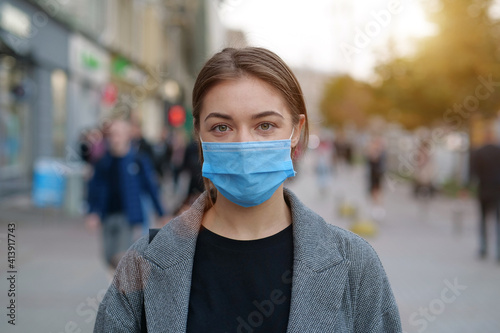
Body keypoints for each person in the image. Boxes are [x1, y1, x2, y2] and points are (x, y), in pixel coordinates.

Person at [94, 47, 401, 332]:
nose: (243, 145)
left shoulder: (356, 265)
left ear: (297, 131)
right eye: (221, 127)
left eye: (265, 125)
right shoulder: (143, 262)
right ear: (198, 133)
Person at [85, 116, 166, 270]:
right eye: (112, 134)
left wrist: (161, 213)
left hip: (128, 216)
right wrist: (92, 212)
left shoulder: (137, 160)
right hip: (107, 214)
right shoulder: (103, 162)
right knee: (108, 257)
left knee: (121, 257)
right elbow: (94, 188)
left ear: (127, 135)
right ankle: (120, 286)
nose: (115, 138)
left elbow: (151, 187)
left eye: (119, 134)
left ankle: (121, 290)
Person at [469, 127, 500, 262]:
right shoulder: (498, 151)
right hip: (497, 190)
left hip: (483, 189)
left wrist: (467, 188)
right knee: (497, 221)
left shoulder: (478, 152)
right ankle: (498, 251)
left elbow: (472, 172)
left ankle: (483, 248)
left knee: (482, 220)